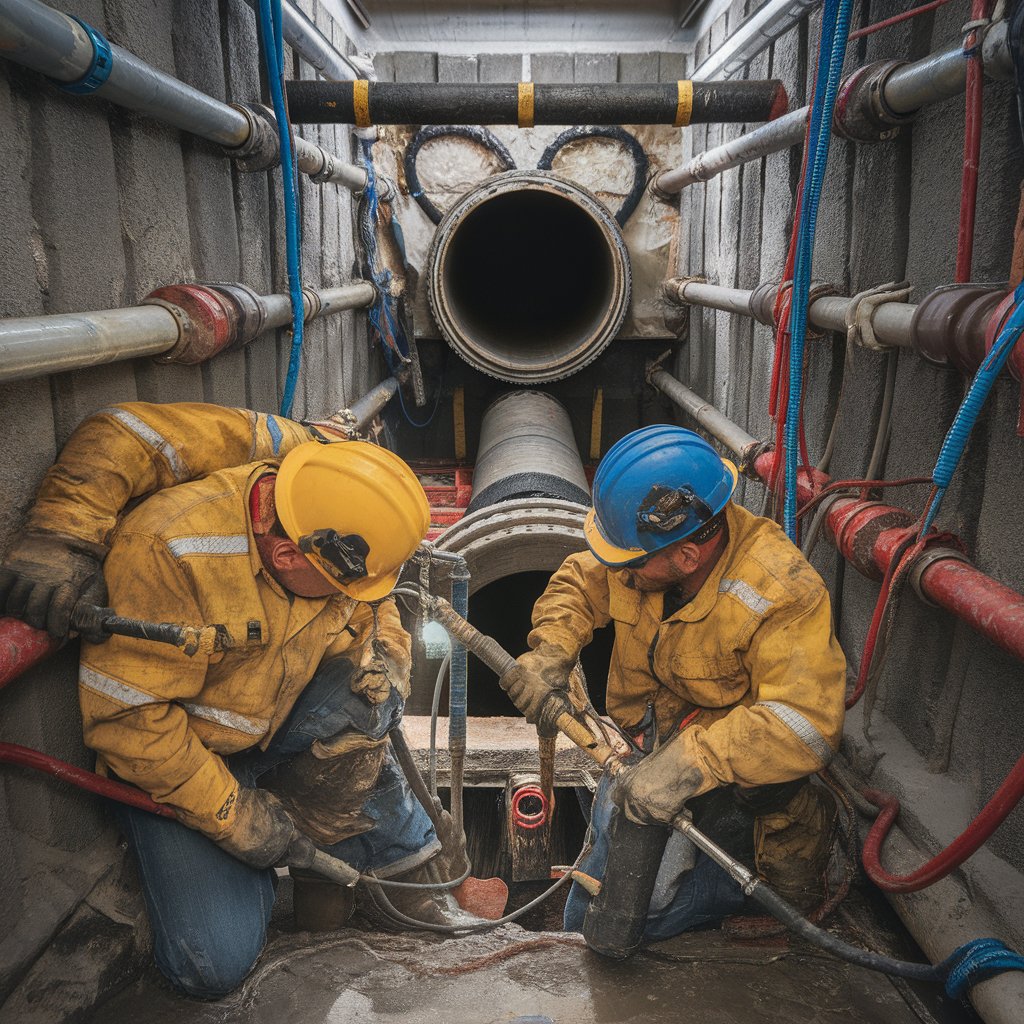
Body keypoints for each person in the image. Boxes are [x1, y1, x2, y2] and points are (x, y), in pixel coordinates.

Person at [0, 402, 463, 999]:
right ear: (288, 556)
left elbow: (374, 603)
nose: (349, 595)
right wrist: (237, 819)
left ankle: (395, 862)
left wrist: (389, 658)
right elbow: (130, 724)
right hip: (180, 758)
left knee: (366, 699)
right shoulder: (172, 550)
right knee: (211, 966)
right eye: (340, 585)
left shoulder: (328, 491)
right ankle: (280, 850)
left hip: (272, 720)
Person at [501, 425, 846, 940]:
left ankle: (749, 885)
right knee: (592, 913)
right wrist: (552, 647)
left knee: (649, 914)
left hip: (731, 768)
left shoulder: (781, 591)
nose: (620, 573)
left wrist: (691, 763)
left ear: (686, 557)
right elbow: (580, 580)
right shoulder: (648, 550)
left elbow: (806, 725)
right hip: (647, 745)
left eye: (631, 565)